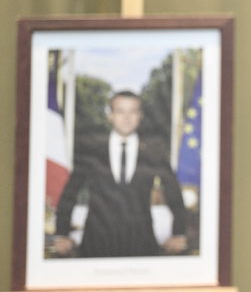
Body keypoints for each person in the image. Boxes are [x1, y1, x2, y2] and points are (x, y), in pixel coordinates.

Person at [53, 90, 188, 258]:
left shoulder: (154, 151)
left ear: (140, 116)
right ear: (110, 115)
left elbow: (173, 193)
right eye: (120, 111)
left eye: (132, 111)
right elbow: (69, 194)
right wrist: (62, 234)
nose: (126, 117)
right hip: (95, 243)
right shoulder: (91, 149)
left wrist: (178, 234)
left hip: (142, 243)